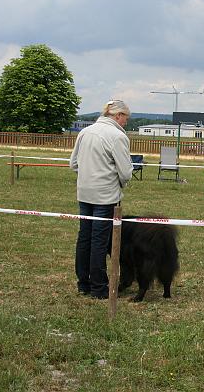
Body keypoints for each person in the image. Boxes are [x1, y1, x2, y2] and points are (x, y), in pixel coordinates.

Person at [69, 100, 134, 299]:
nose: (126, 123)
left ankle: (84, 283)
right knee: (100, 241)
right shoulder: (117, 136)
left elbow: (73, 164)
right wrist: (114, 180)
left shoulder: (85, 132)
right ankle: (99, 287)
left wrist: (89, 175)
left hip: (85, 193)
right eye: (125, 118)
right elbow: (125, 171)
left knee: (84, 238)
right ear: (118, 116)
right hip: (105, 197)